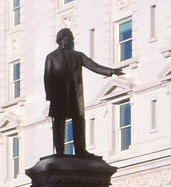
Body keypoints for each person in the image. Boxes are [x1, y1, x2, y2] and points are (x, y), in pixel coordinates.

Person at [44, 27, 124, 159]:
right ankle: (60, 152)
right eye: (70, 37)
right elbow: (47, 76)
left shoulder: (78, 56)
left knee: (79, 121)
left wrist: (111, 71)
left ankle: (81, 150)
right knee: (58, 122)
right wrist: (50, 95)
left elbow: (93, 65)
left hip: (75, 94)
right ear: (61, 39)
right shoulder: (51, 57)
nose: (72, 40)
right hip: (59, 95)